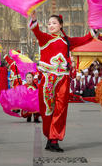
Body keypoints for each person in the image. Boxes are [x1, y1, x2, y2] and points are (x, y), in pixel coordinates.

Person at [29, 11, 97, 152]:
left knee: (61, 110)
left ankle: (54, 140)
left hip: (63, 79)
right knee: (47, 110)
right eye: (49, 24)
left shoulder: (66, 41)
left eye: (54, 23)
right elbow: (36, 31)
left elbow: (83, 39)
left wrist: (94, 31)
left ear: (60, 25)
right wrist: (34, 20)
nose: (51, 26)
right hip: (48, 79)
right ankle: (49, 136)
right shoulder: (45, 38)